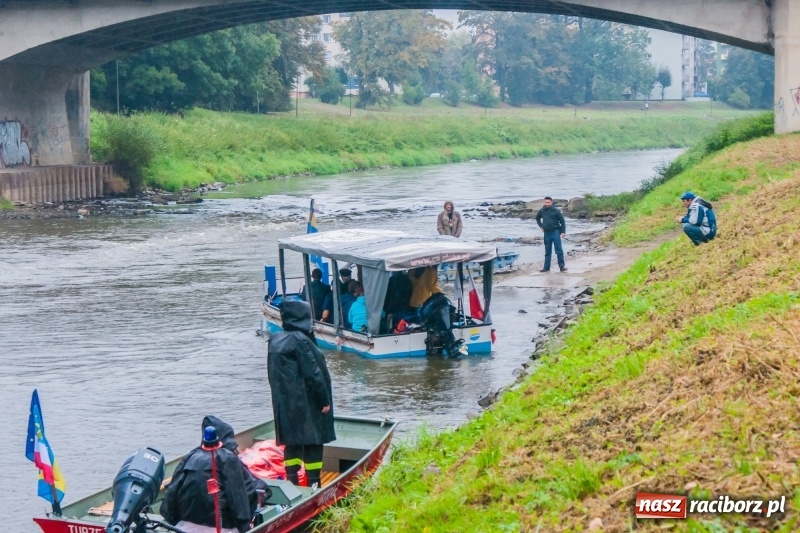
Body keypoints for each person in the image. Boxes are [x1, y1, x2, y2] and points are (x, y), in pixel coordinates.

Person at [267, 300, 335, 488]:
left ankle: (292, 483)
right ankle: (314, 484)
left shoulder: (275, 339)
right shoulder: (302, 340)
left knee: (292, 443)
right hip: (307, 403)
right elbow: (313, 373)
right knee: (313, 443)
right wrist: (324, 400)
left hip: (285, 403)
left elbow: (271, 374)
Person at [161, 416, 266, 533]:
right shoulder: (229, 459)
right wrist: (245, 527)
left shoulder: (190, 457)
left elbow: (172, 494)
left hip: (186, 524)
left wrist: (172, 521)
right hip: (222, 526)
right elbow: (238, 499)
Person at [535, 196, 567, 272]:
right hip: (546, 232)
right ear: (544, 202)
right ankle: (546, 267)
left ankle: (562, 267)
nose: (547, 204)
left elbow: (562, 221)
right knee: (547, 251)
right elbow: (537, 218)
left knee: (558, 250)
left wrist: (563, 232)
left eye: (548, 202)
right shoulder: (542, 210)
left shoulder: (556, 211)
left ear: (551, 202)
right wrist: (541, 226)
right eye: (546, 202)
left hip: (555, 231)